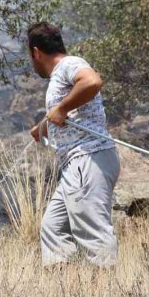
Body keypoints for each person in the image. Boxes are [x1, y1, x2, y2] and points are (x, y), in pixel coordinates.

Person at [26, 22, 120, 266]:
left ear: (36, 52)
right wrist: (42, 126)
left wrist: (62, 108)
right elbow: (63, 112)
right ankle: (66, 285)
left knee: (93, 232)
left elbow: (92, 82)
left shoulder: (69, 64)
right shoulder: (61, 74)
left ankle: (107, 287)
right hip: (76, 163)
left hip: (88, 157)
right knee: (53, 228)